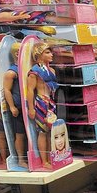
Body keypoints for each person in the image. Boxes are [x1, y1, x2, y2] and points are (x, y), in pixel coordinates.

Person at [26, 41, 58, 169]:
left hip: (51, 102)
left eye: (51, 52)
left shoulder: (52, 70)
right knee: (42, 131)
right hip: (40, 102)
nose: (51, 55)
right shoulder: (35, 71)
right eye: (47, 52)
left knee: (51, 131)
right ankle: (44, 160)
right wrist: (31, 108)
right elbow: (29, 90)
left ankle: (52, 157)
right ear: (39, 54)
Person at [3, 43, 27, 168]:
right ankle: (21, 159)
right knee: (20, 134)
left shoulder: (27, 67)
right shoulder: (12, 72)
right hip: (18, 107)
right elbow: (6, 90)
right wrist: (12, 106)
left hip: (29, 106)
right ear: (17, 54)